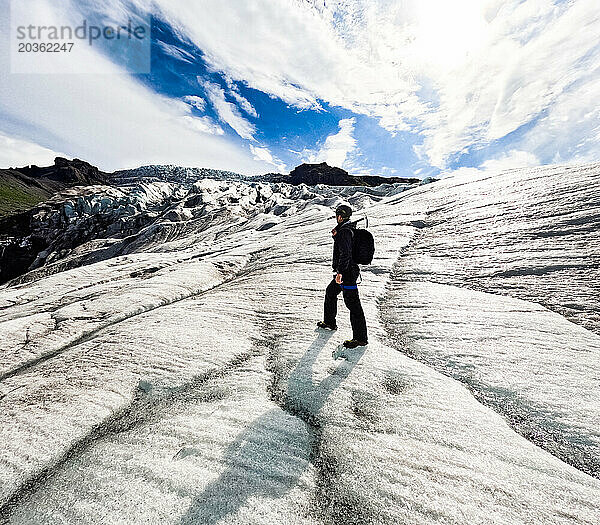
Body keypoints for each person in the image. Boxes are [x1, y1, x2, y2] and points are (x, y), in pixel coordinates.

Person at [317, 204, 368, 348]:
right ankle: (329, 322)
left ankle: (360, 338)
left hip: (347, 273)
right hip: (347, 271)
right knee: (330, 292)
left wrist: (340, 273)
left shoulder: (345, 231)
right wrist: (336, 236)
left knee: (353, 304)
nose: (336, 217)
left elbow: (345, 254)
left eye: (337, 215)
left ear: (340, 216)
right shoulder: (347, 229)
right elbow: (345, 248)